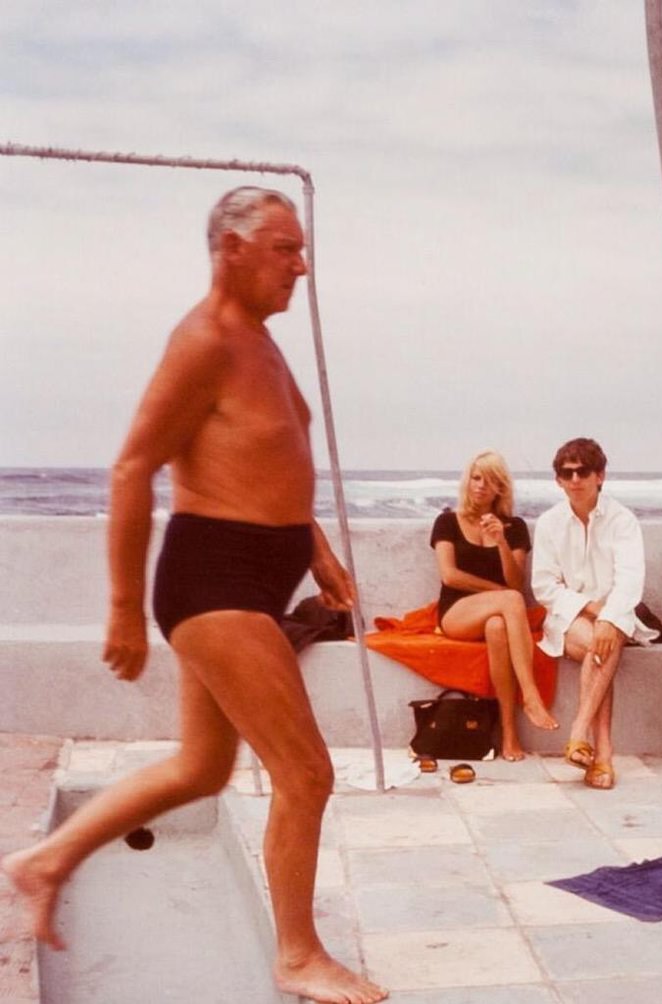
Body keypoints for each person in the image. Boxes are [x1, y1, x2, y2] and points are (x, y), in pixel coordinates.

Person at [0, 187, 387, 1004]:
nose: (301, 265)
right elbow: (133, 466)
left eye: (300, 247)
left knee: (202, 768)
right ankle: (296, 954)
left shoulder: (264, 344)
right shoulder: (204, 340)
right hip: (213, 582)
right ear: (232, 249)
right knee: (306, 773)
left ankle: (45, 861)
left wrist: (315, 551)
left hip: (255, 573)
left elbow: (274, 468)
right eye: (285, 248)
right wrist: (121, 608)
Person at [531, 438, 657, 790]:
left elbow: (630, 580)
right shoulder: (549, 523)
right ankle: (601, 751)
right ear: (558, 480)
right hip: (569, 617)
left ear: (599, 475)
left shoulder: (622, 520)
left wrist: (608, 618)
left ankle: (579, 734)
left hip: (614, 615)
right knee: (601, 644)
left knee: (605, 640)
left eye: (582, 471)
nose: (574, 479)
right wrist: (591, 609)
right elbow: (544, 586)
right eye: (566, 473)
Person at [432, 450, 559, 761]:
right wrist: (498, 592)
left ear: (500, 488)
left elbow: (516, 583)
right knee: (510, 602)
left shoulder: (514, 527)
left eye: (489, 481)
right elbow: (449, 576)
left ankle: (509, 736)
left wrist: (501, 541)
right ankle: (530, 695)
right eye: (476, 478)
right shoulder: (448, 521)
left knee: (498, 626)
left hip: (498, 615)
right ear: (468, 481)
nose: (480, 486)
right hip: (457, 614)